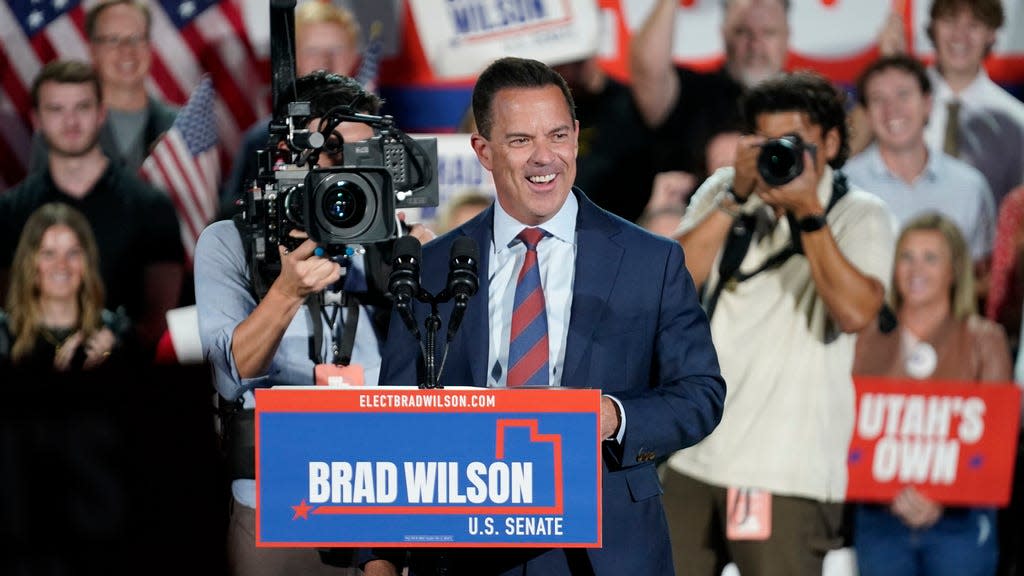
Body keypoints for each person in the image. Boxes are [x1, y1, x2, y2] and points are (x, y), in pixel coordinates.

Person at [363, 56, 726, 576]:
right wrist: (380, 559)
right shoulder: (432, 267)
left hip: (603, 550)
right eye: (519, 140)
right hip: (465, 550)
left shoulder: (652, 260)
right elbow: (394, 420)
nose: (544, 158)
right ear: (483, 150)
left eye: (557, 135)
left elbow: (701, 393)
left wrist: (614, 418)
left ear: (577, 137)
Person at [195, 71, 431, 576]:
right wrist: (286, 292)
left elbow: (434, 374)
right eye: (335, 155)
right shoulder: (229, 242)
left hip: (378, 494)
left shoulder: (393, 242)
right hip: (276, 497)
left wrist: (421, 271)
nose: (350, 174)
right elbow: (231, 372)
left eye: (364, 157)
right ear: (287, 155)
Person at [663, 71, 895, 576]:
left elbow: (855, 314)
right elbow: (668, 283)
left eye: (794, 144)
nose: (779, 155)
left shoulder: (861, 215)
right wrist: (733, 198)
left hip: (787, 468)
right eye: (767, 143)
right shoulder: (727, 190)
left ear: (831, 143)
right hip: (692, 454)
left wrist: (810, 213)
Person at [853, 213, 1010, 576]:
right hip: (881, 519)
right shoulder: (866, 338)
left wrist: (939, 497)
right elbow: (852, 426)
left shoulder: (985, 339)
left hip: (961, 522)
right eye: (906, 257)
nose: (915, 268)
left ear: (954, 271)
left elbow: (995, 436)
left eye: (930, 258)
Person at [0, 60, 185, 353]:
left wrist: (117, 349)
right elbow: (8, 309)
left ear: (101, 113)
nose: (70, 122)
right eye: (56, 109)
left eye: (82, 108)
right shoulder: (10, 211)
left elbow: (159, 321)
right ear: (36, 119)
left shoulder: (151, 207)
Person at [844, 55, 995, 275]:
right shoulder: (845, 186)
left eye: (903, 94)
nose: (892, 109)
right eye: (878, 99)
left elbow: (981, 276)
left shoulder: (969, 186)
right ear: (866, 115)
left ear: (927, 104)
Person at [221, 1, 363, 217]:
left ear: (354, 56)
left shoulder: (373, 132)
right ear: (292, 59)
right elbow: (230, 212)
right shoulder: (265, 137)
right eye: (313, 51)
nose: (325, 61)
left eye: (337, 50)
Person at [629, 0, 789, 184]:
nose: (755, 44)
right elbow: (648, 71)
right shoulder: (693, 94)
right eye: (742, 31)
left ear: (787, 35)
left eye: (768, 32)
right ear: (724, 34)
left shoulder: (807, 103)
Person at [28, 0, 176, 174]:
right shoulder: (54, 132)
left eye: (136, 38)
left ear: (150, 47)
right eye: (113, 40)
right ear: (93, 51)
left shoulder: (185, 127)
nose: (126, 50)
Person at [0, 203, 128, 371]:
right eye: (49, 253)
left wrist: (110, 364)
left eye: (73, 253)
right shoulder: (4, 336)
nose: (62, 265)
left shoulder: (115, 334)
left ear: (86, 262)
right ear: (30, 262)